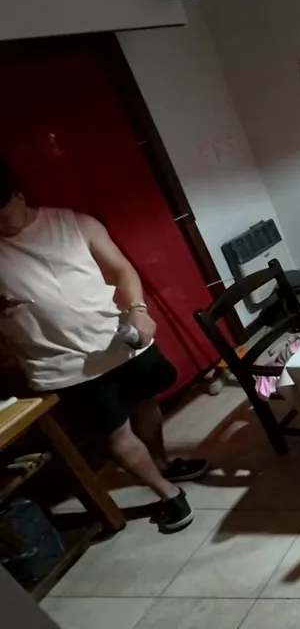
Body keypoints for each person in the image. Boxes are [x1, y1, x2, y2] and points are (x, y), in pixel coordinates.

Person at [0, 161, 206, 533]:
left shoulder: (72, 223)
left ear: (18, 196)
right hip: (62, 363)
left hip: (117, 338)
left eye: (2, 215)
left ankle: (161, 463)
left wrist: (139, 310)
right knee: (115, 432)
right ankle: (167, 493)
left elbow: (121, 269)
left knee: (145, 401)